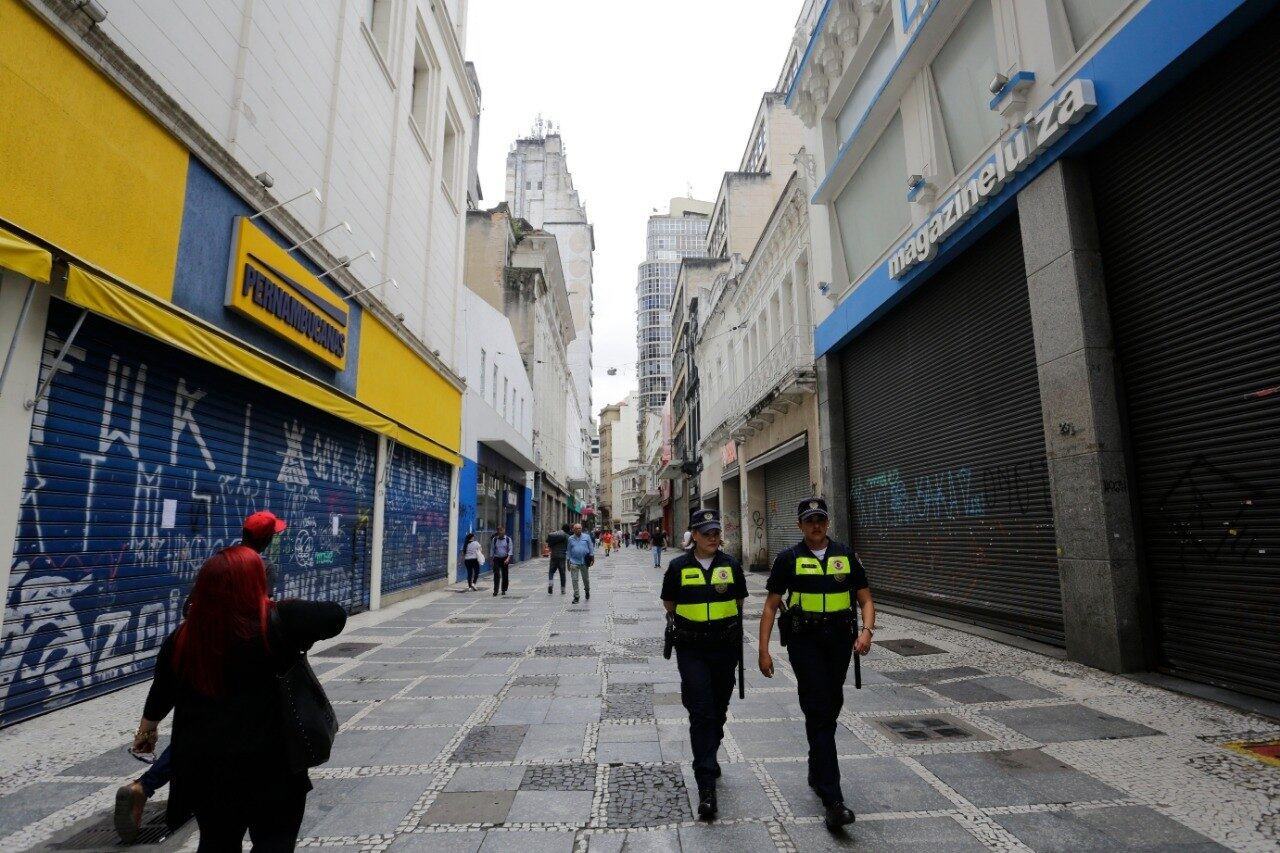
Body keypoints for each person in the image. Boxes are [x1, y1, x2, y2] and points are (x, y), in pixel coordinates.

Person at [128, 546, 346, 850]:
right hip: (273, 769)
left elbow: (161, 694)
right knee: (274, 844)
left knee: (216, 844)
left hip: (208, 772)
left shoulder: (183, 638)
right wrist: (275, 605)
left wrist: (146, 733)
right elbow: (335, 616)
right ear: (258, 582)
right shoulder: (279, 623)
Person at [115, 511, 287, 843]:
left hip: (204, 663)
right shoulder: (260, 567)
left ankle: (144, 787)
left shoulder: (220, 560)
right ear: (268, 539)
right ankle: (153, 787)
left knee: (198, 734)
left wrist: (148, 727)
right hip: (241, 669)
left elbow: (165, 680)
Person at [757, 497, 875, 831]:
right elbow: (770, 607)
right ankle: (833, 800)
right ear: (800, 525)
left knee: (829, 707)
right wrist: (763, 651)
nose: (816, 525)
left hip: (838, 642)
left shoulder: (846, 555)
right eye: (809, 520)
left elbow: (865, 599)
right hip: (804, 642)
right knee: (820, 710)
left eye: (821, 519)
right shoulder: (788, 559)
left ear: (827, 522)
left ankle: (816, 765)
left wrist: (866, 632)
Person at [661, 509, 747, 821]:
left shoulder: (731, 565)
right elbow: (669, 603)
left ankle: (709, 750)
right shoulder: (678, 566)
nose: (713, 537)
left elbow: (739, 602)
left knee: (719, 709)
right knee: (701, 712)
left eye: (716, 533)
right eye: (706, 533)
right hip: (692, 649)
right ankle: (706, 785)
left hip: (724, 649)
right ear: (694, 535)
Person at [566, 522, 595, 604]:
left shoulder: (587, 537)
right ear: (573, 530)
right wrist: (568, 562)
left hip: (584, 561)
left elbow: (591, 547)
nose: (579, 530)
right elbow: (568, 551)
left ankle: (587, 590)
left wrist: (592, 558)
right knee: (574, 580)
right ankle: (576, 596)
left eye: (580, 528)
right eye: (577, 529)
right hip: (574, 561)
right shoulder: (570, 539)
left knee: (585, 579)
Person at [546, 523, 570, 595]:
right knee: (562, 573)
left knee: (551, 571)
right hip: (562, 556)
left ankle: (550, 584)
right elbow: (569, 547)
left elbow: (548, 542)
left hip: (553, 555)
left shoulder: (555, 535)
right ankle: (563, 590)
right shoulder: (567, 536)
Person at [490, 526, 513, 597]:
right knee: (496, 574)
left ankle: (503, 589)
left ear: (504, 531)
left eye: (502, 530)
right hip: (497, 558)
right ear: (497, 532)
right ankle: (495, 590)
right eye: (499, 531)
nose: (501, 532)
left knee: (505, 574)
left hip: (505, 558)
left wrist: (508, 558)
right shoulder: (494, 539)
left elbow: (510, 549)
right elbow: (492, 549)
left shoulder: (508, 539)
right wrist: (491, 560)